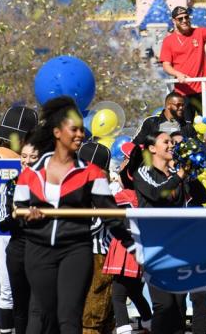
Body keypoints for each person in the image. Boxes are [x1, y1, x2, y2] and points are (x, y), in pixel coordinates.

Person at [14, 96, 135, 334]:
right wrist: (30, 215)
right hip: (40, 249)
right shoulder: (33, 171)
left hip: (76, 249)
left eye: (82, 129)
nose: (80, 135)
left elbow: (110, 214)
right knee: (46, 314)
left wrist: (134, 248)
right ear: (58, 132)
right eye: (74, 129)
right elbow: (19, 208)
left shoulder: (91, 172)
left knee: (69, 316)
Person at [133, 124, 195, 334]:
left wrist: (195, 164)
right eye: (166, 142)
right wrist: (178, 176)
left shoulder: (176, 172)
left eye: (172, 142)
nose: (171, 145)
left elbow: (199, 196)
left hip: (178, 244)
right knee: (163, 305)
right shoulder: (144, 171)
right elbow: (156, 193)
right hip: (154, 245)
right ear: (152, 148)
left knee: (179, 305)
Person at [0, 106, 40, 334]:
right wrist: (18, 214)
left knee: (39, 303)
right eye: (23, 157)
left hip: (41, 248)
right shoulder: (10, 184)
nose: (26, 161)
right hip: (17, 246)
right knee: (18, 300)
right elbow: (2, 221)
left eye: (32, 157)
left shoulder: (47, 182)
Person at [104, 142, 153, 334]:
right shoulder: (143, 197)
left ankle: (124, 330)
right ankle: (149, 323)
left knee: (117, 295)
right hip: (141, 247)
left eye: (125, 160)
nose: (121, 164)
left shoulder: (123, 195)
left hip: (125, 247)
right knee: (134, 291)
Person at [159, 3, 206, 126]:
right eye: (180, 18)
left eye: (186, 17)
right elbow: (166, 65)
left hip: (203, 88)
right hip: (183, 90)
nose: (184, 20)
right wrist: (178, 74)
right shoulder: (168, 41)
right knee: (186, 126)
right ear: (174, 21)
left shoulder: (198, 33)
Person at [78, 141, 116, 334]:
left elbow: (94, 224)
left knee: (94, 314)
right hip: (78, 255)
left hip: (98, 255)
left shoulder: (103, 194)